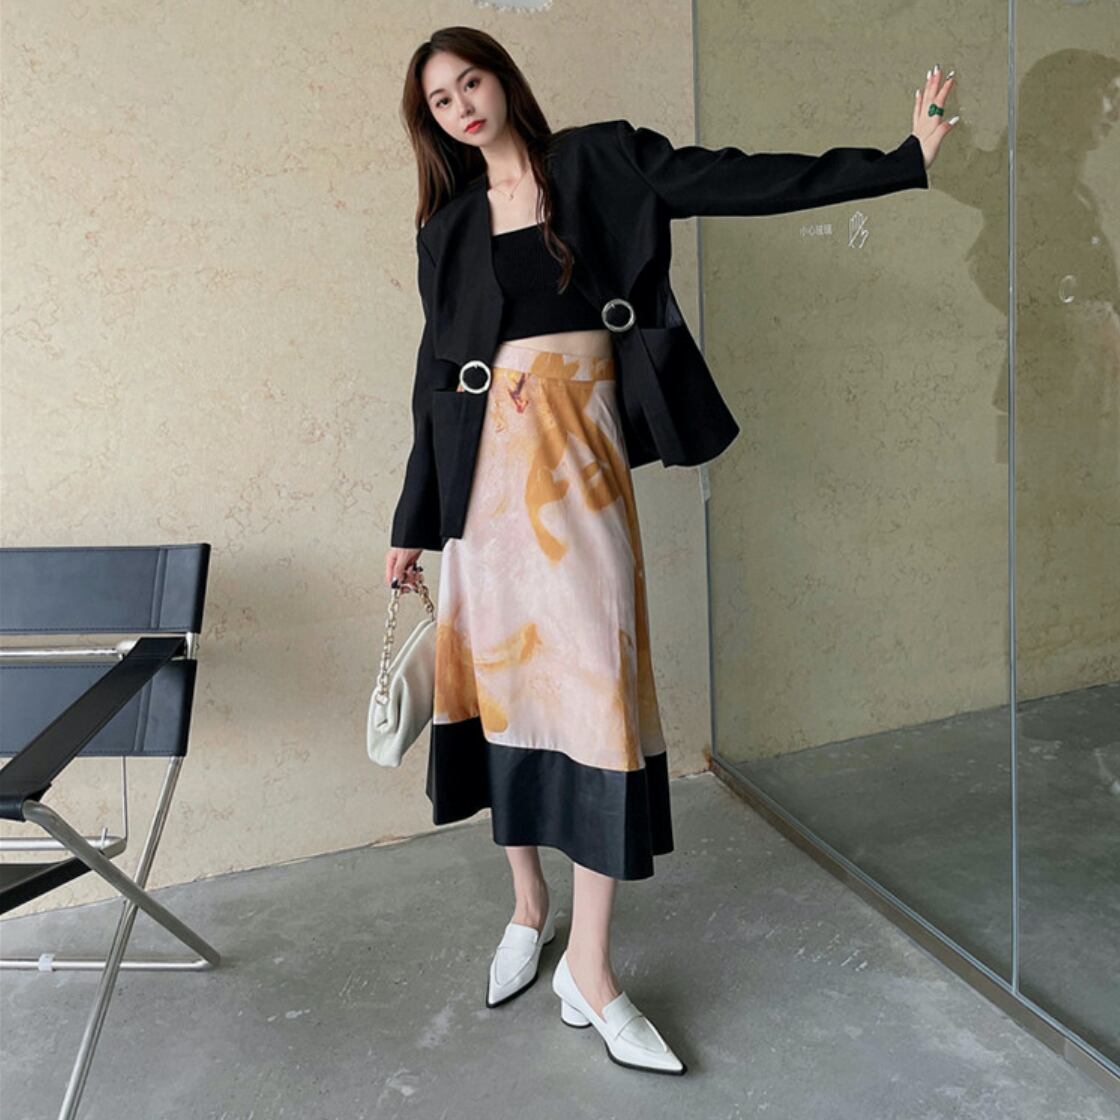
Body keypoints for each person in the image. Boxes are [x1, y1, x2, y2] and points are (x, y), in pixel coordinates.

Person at [384, 26, 956, 1075]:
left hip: (580, 469)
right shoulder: (448, 230)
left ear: (503, 80)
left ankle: (588, 969)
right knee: (501, 694)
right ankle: (528, 905)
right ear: (432, 122)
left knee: (599, 691)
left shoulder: (600, 160)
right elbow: (434, 380)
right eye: (442, 100)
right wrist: (411, 523)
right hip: (482, 495)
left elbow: (735, 180)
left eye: (472, 81)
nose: (463, 106)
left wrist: (900, 160)